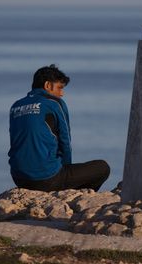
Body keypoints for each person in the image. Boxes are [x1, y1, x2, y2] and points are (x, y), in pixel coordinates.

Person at [8, 64, 110, 192]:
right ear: (47, 86)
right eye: (60, 88)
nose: (62, 93)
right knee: (102, 167)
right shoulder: (54, 103)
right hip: (46, 179)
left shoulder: (16, 106)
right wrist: (66, 171)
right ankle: (78, 197)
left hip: (19, 178)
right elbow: (65, 142)